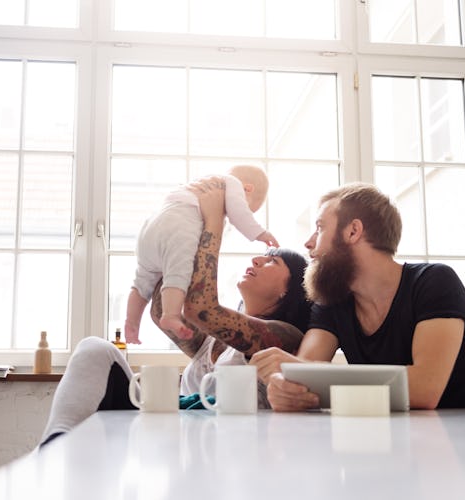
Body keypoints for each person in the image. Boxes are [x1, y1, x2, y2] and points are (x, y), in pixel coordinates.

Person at [39, 177, 311, 446]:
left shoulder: (285, 337)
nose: (257, 258)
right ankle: (54, 445)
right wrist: (178, 231)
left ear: (288, 290)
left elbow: (201, 309)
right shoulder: (213, 342)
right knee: (94, 348)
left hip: (226, 451)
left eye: (272, 261)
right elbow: (161, 314)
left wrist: (214, 221)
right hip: (177, 438)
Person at [250, 182, 465, 410]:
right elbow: (302, 374)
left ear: (353, 231)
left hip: (460, 439)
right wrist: (285, 389)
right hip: (380, 436)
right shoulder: (333, 301)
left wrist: (307, 375)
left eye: (320, 227)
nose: (309, 242)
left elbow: (424, 389)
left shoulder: (435, 281)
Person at [125, 165, 279, 345]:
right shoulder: (232, 184)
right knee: (179, 271)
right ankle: (171, 314)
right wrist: (260, 234)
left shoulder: (201, 182)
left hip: (150, 229)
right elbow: (240, 215)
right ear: (248, 189)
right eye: (250, 208)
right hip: (177, 227)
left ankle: (132, 322)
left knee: (142, 281)